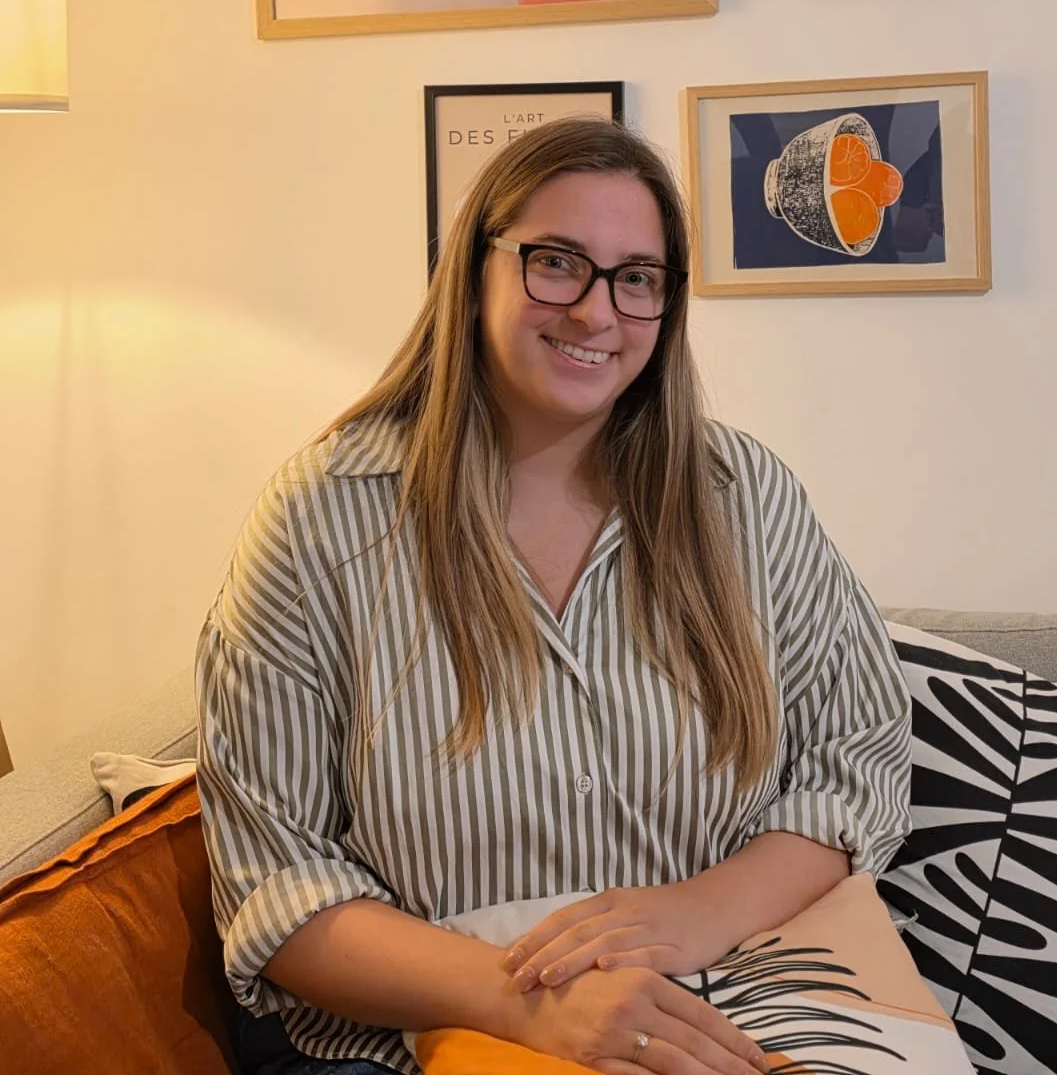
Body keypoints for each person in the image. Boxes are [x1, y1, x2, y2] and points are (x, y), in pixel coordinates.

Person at [195, 117, 912, 1075]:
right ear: (475, 272)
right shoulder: (320, 519)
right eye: (557, 263)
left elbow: (856, 761)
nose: (595, 312)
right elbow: (275, 882)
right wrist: (522, 1002)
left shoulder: (745, 497)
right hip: (411, 1042)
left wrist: (700, 911)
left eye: (636, 277)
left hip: (722, 1008)